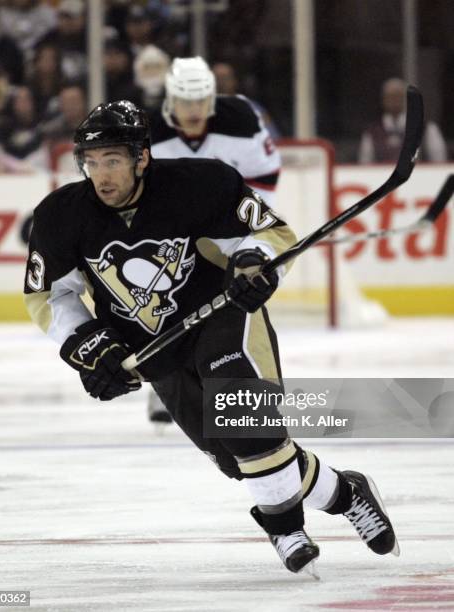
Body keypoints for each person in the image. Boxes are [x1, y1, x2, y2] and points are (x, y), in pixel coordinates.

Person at [23, 100, 399, 576]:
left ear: (142, 158)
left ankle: (285, 527)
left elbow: (270, 232)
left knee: (249, 431)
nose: (101, 175)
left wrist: (250, 262)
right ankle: (346, 493)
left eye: (113, 160)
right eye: (91, 163)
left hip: (221, 319)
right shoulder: (61, 214)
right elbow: (50, 296)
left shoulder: (201, 184)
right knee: (234, 459)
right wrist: (93, 348)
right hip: (150, 347)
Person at [148, 56, 281, 423]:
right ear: (170, 100)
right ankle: (167, 385)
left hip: (230, 230)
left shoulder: (240, 117)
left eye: (200, 101)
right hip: (172, 236)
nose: (193, 111)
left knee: (238, 302)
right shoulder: (147, 131)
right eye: (185, 102)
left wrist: (249, 236)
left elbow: (265, 180)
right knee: (165, 304)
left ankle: (244, 386)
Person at [358, 77, 448, 163]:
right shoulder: (372, 131)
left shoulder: (426, 128)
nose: (394, 100)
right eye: (390, 97)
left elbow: (439, 160)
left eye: (398, 96)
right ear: (383, 100)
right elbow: (365, 163)